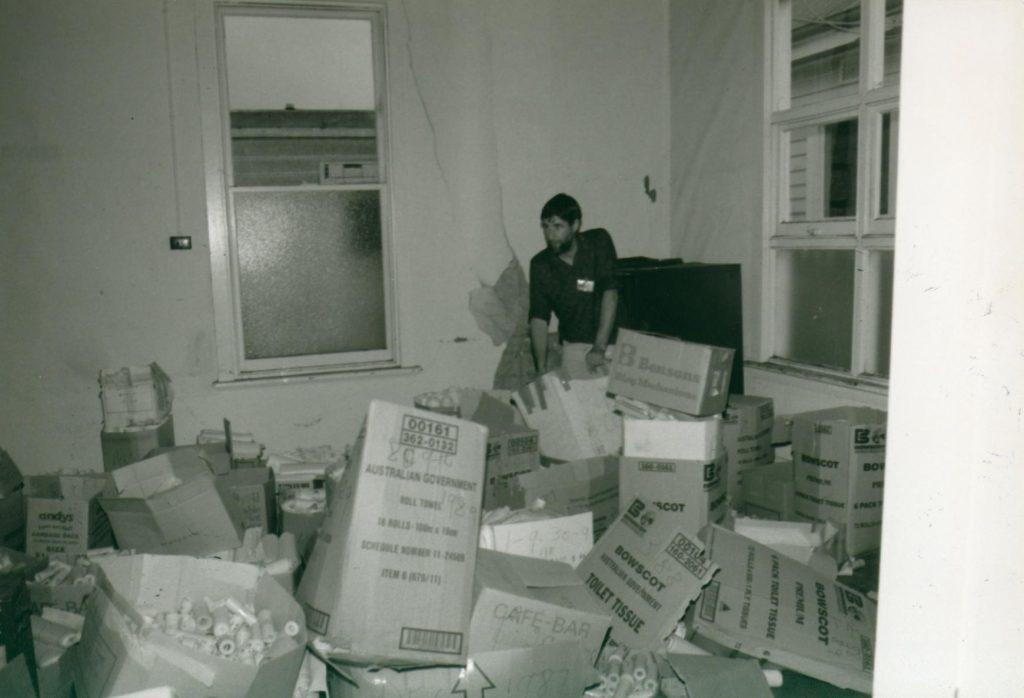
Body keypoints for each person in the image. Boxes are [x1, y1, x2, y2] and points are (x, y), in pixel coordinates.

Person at [528, 193, 619, 379]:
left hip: (612, 344)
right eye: (546, 227)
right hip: (574, 347)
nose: (550, 234)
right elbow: (538, 320)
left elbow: (610, 293)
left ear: (575, 225)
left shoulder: (598, 242)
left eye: (558, 226)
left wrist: (599, 347)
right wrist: (540, 370)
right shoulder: (540, 265)